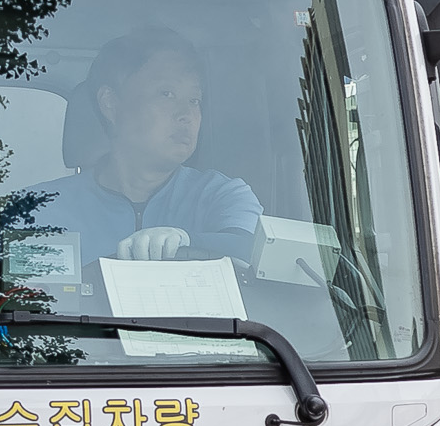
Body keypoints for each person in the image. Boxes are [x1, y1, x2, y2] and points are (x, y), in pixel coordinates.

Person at [14, 28, 262, 273]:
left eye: (194, 100)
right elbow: (19, 305)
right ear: (110, 103)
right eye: (167, 94)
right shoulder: (38, 210)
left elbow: (255, 254)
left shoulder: (222, 195)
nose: (186, 115)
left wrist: (186, 240)